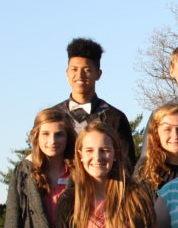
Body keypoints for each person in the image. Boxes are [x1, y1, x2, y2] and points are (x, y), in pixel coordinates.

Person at [48, 37, 136, 167]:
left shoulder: (114, 117)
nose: (80, 75)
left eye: (87, 70)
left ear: (98, 74)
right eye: (74, 69)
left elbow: (127, 165)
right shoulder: (52, 116)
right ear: (67, 72)